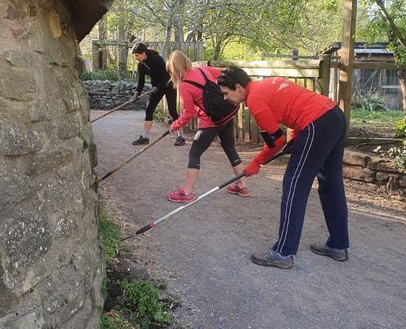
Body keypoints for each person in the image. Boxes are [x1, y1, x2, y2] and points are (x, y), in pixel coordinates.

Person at [217, 66, 349, 269]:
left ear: (238, 87)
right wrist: (295, 138)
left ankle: (283, 253)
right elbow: (294, 106)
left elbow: (275, 141)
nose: (226, 98)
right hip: (334, 116)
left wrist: (256, 162)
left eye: (226, 93)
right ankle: (338, 245)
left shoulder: (254, 100)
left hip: (316, 123)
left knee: (294, 185)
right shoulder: (267, 82)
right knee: (331, 182)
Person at [165, 51, 248, 203]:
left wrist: (175, 126)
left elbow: (188, 113)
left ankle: (186, 193)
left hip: (211, 121)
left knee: (195, 152)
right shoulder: (202, 69)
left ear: (174, 69)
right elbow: (223, 75)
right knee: (230, 149)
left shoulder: (184, 86)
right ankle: (242, 186)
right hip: (228, 113)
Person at [131, 42, 185, 146]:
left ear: (143, 53)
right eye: (134, 56)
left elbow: (168, 75)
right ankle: (145, 137)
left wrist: (158, 87)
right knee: (149, 109)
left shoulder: (157, 59)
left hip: (169, 85)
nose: (136, 58)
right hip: (156, 88)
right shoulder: (141, 65)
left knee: (172, 110)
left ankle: (181, 136)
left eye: (137, 55)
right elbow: (140, 81)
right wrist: (137, 93)